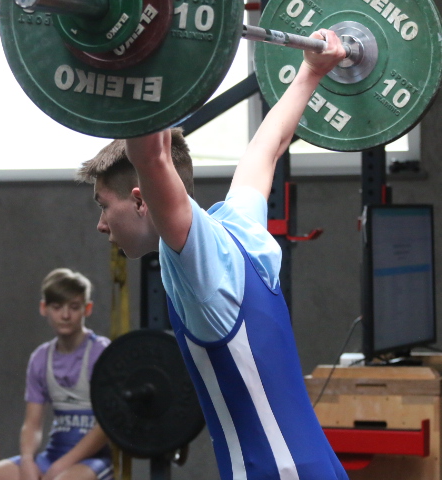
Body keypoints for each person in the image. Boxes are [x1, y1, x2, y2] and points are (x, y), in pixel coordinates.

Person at [76, 30, 349, 480]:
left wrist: (137, 44)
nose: (101, 224)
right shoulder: (239, 229)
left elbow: (153, 156)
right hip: (320, 468)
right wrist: (311, 71)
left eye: (104, 206)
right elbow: (268, 147)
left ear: (142, 201)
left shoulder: (197, 263)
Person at [0, 268, 112, 480]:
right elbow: (32, 423)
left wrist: (63, 464)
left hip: (94, 458)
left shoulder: (101, 352)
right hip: (53, 455)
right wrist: (27, 460)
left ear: (87, 309)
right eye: (57, 307)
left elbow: (107, 426)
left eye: (74, 307)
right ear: (44, 308)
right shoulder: (41, 358)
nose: (65, 315)